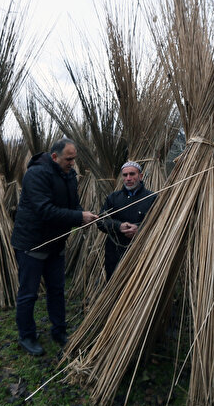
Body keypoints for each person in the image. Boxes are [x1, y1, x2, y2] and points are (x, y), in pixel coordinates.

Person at [11, 138, 98, 356]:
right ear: (54, 157)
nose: (72, 163)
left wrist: (81, 218)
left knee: (57, 290)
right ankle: (27, 336)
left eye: (74, 158)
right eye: (69, 159)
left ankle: (59, 331)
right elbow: (45, 210)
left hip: (56, 242)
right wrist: (78, 217)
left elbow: (73, 204)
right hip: (32, 242)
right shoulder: (36, 175)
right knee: (29, 293)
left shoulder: (69, 175)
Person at [97, 161, 157, 280]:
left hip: (141, 253)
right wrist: (118, 226)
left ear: (140, 176)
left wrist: (139, 230)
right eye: (125, 175)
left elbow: (159, 224)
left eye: (132, 174)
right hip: (114, 253)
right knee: (114, 284)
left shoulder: (152, 198)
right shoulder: (113, 198)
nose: (128, 178)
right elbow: (101, 221)